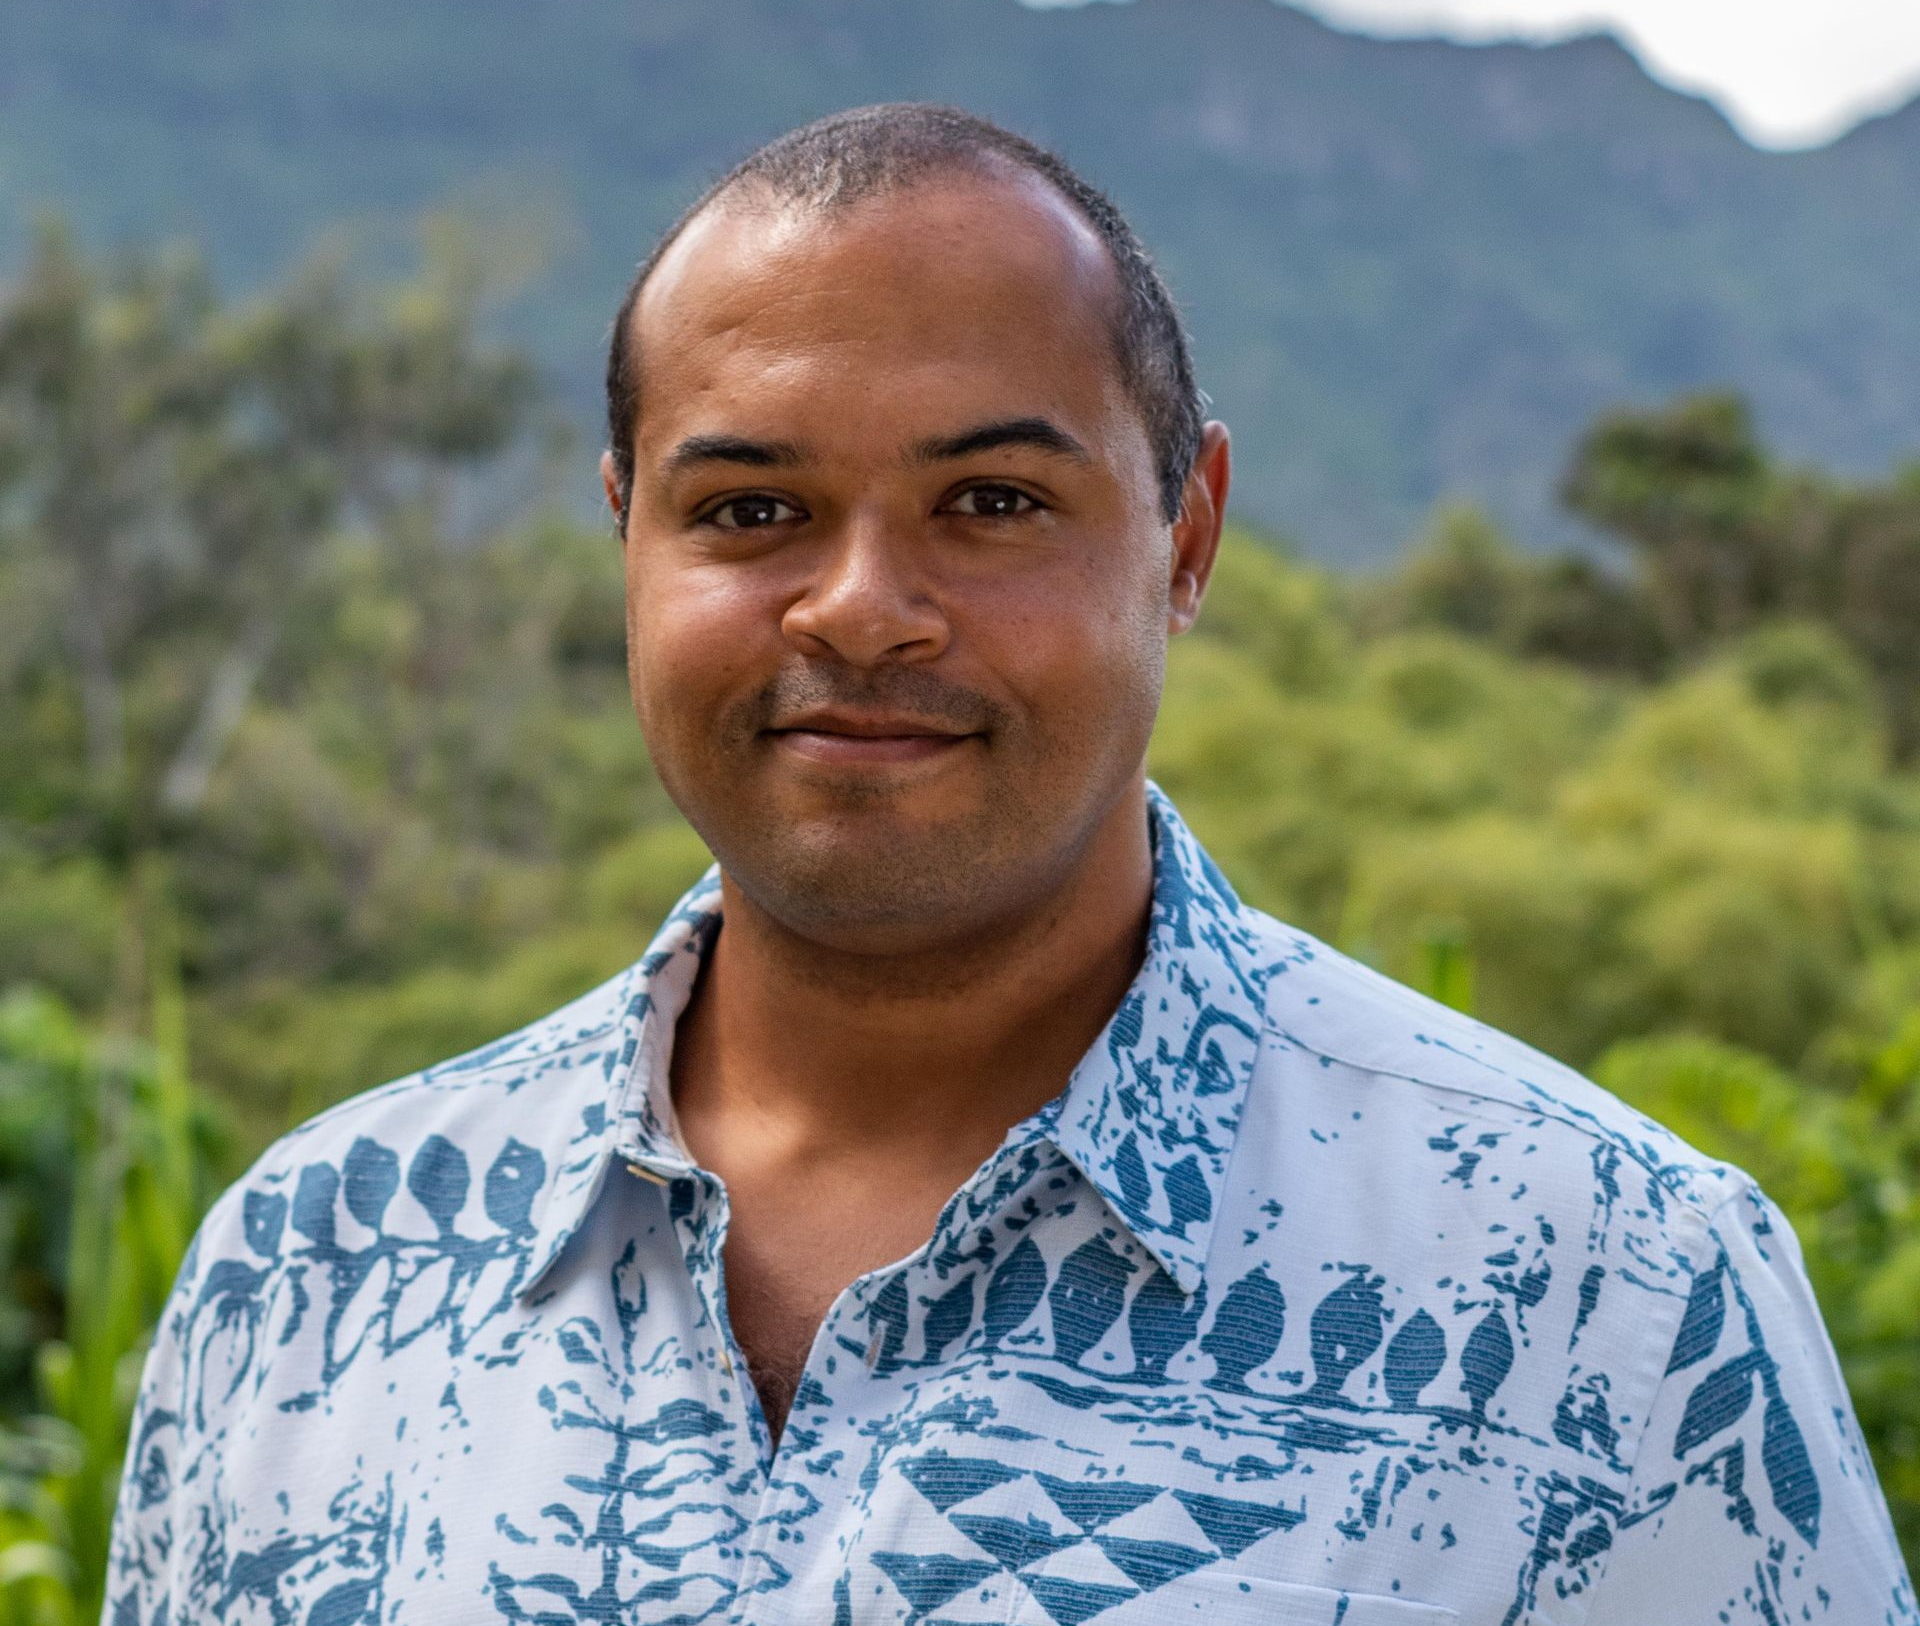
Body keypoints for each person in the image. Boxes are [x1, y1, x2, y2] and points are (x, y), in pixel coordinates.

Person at [102, 102, 1913, 1626]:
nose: (863, 606)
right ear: (623, 537)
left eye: (991, 503)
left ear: (1186, 536)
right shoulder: (313, 1272)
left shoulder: (1606, 1293)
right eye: (749, 511)